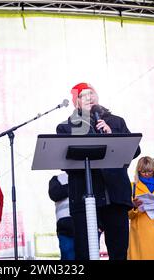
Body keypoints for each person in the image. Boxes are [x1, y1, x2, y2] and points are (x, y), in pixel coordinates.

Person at [56, 82, 141, 260]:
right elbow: (65, 161)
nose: (89, 97)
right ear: (76, 102)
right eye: (83, 95)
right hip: (85, 196)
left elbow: (134, 150)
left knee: (118, 252)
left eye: (92, 93)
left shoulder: (116, 121)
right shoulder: (66, 127)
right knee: (85, 252)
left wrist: (113, 137)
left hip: (115, 197)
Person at [48, 172, 75, 260]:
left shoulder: (88, 175)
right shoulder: (57, 178)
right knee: (68, 256)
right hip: (65, 227)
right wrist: (76, 185)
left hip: (87, 224)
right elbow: (55, 194)